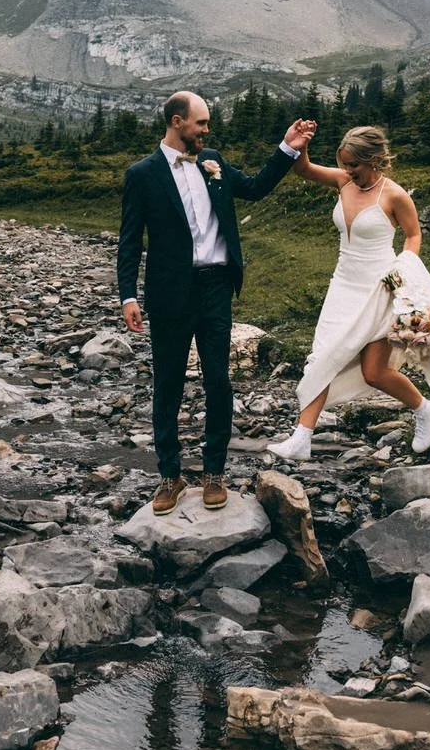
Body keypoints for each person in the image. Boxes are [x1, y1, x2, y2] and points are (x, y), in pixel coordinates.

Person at [118, 91, 316, 515]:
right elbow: (130, 240)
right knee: (168, 383)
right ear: (176, 121)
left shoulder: (213, 160)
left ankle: (214, 472)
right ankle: (169, 476)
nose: (207, 130)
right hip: (170, 291)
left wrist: (288, 147)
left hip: (215, 287)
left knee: (218, 382)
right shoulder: (143, 174)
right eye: (200, 123)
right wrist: (128, 295)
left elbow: (256, 187)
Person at [266, 125, 430, 462]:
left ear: (374, 160)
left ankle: (423, 409)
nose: (349, 171)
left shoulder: (394, 195)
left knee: (374, 372)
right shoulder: (343, 182)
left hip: (380, 288)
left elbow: (413, 235)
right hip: (343, 283)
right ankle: (301, 438)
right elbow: (302, 169)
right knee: (322, 357)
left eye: (354, 165)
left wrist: (403, 268)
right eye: (345, 164)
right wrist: (301, 145)